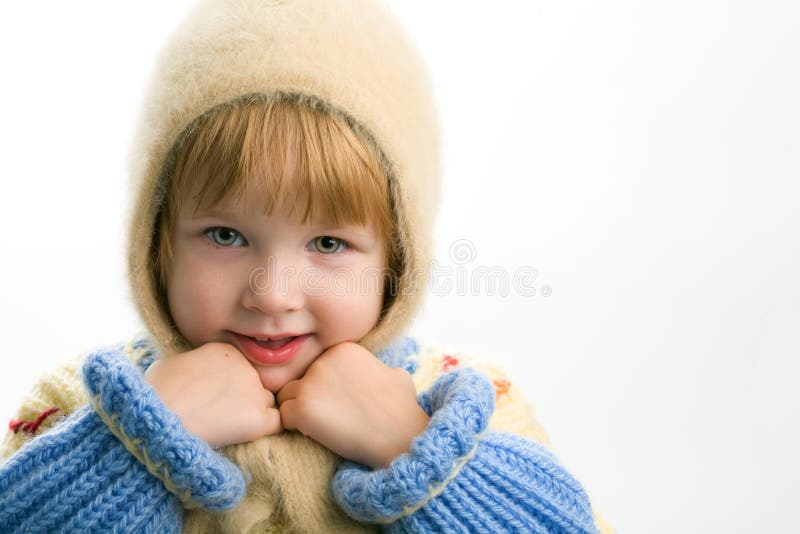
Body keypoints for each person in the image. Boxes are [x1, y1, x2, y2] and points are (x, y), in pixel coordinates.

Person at [0, 0, 613, 531]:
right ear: (156, 245)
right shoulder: (77, 406)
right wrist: (131, 448)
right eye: (225, 234)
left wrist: (419, 452)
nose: (273, 296)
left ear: (397, 259)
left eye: (328, 245)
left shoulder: (468, 409)